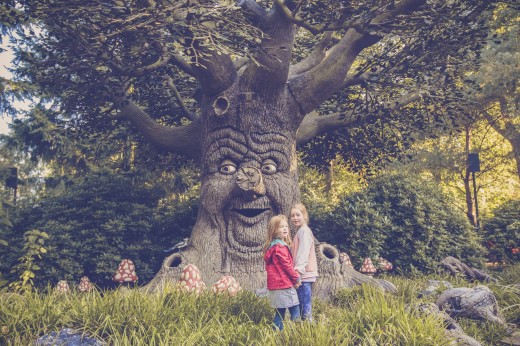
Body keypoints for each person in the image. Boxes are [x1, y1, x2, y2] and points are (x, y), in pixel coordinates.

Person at [264, 214, 302, 331]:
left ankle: (276, 335)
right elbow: (287, 267)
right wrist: (296, 278)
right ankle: (299, 334)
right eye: (281, 227)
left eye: (286, 226)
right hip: (284, 285)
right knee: (295, 310)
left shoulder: (271, 247)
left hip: (275, 287)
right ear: (274, 230)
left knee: (279, 312)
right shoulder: (280, 248)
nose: (285, 229)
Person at [291, 203, 318, 322]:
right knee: (302, 306)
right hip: (302, 274)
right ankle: (305, 331)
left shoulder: (304, 231)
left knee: (305, 307)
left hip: (303, 275)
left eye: (298, 215)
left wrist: (297, 271)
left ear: (304, 215)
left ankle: (309, 332)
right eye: (292, 216)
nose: (295, 218)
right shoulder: (301, 231)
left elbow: (303, 252)